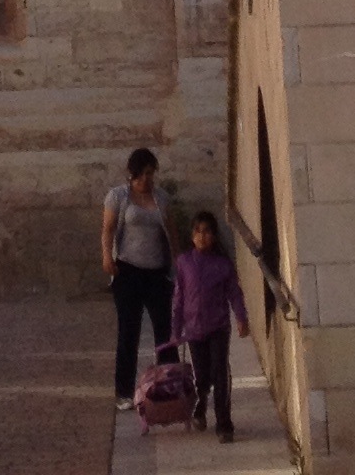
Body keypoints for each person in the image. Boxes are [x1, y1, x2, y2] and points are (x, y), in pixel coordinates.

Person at [101, 145, 175, 411]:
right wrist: (107, 257)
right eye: (141, 174)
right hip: (128, 270)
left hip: (157, 272)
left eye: (150, 173)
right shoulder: (118, 197)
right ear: (131, 174)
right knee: (128, 332)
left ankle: (170, 385)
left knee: (165, 330)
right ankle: (123, 392)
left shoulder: (161, 198)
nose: (145, 179)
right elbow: (108, 229)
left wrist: (178, 264)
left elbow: (171, 232)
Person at [172, 210, 250, 440]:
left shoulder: (222, 265)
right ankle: (200, 406)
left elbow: (234, 293)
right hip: (194, 330)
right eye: (197, 231)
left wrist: (241, 317)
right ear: (192, 235)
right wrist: (176, 329)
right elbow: (179, 298)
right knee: (201, 376)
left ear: (214, 236)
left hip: (218, 327)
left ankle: (224, 424)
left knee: (220, 374)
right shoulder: (184, 263)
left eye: (207, 232)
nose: (202, 236)